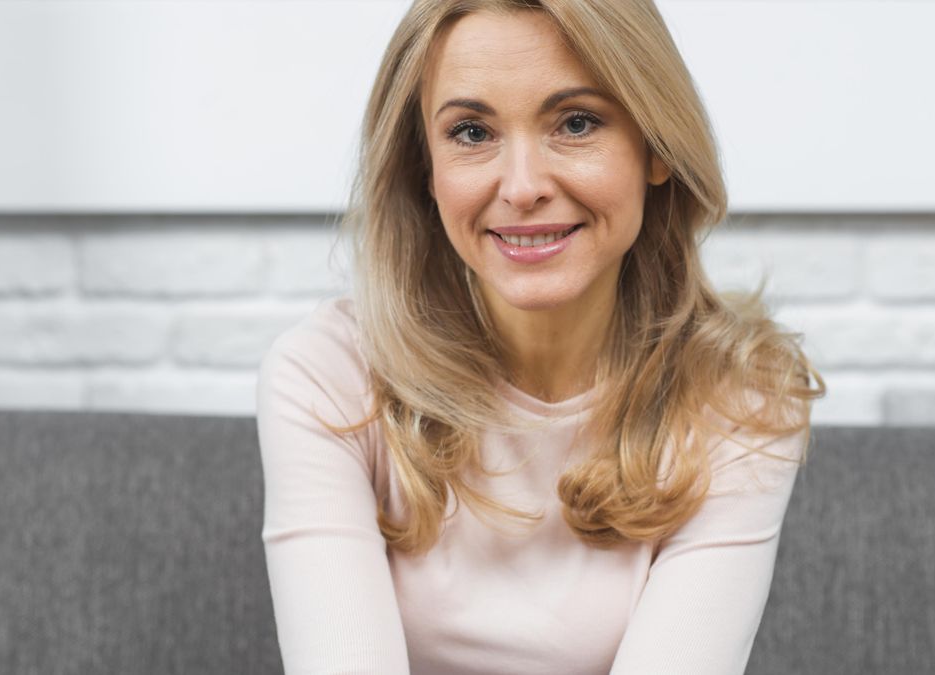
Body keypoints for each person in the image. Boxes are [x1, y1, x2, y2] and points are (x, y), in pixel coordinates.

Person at [256, 1, 826, 673]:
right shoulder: (327, 377)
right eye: (472, 132)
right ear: (424, 169)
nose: (522, 187)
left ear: (656, 146)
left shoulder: (743, 397)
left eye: (576, 123)